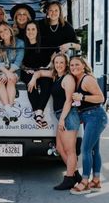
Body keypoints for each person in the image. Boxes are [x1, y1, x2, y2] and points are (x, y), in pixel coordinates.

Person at [28, 53, 82, 190]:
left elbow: (69, 100)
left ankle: (69, 178)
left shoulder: (68, 78)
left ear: (66, 64)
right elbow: (40, 72)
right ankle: (75, 175)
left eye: (61, 63)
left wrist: (63, 119)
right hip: (62, 116)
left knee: (70, 150)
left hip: (68, 116)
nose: (59, 65)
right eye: (56, 62)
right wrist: (34, 78)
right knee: (59, 148)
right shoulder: (56, 76)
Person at [69, 56, 108, 195]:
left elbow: (101, 98)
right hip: (89, 117)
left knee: (85, 149)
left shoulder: (87, 79)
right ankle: (96, 180)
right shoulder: (76, 79)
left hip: (96, 116)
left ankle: (85, 182)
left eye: (77, 64)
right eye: (72, 65)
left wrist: (82, 97)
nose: (74, 67)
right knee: (93, 150)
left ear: (84, 65)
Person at [21, 21, 52, 127]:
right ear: (25, 32)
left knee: (47, 83)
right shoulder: (22, 44)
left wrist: (46, 68)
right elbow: (18, 60)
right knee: (31, 84)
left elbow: (53, 56)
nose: (30, 32)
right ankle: (38, 114)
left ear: (37, 31)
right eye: (28, 29)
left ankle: (39, 112)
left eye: (33, 29)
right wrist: (25, 69)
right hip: (27, 71)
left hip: (43, 70)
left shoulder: (45, 43)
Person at [0, 22, 24, 121]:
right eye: (0, 31)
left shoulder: (20, 42)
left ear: (10, 30)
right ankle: (9, 109)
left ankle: (9, 109)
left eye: (5, 29)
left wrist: (8, 73)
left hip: (14, 68)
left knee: (11, 79)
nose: (3, 32)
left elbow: (18, 61)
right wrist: (6, 72)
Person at [38, 0, 81, 66]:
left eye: (56, 10)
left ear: (60, 12)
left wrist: (68, 45)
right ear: (47, 12)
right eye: (51, 10)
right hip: (41, 62)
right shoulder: (40, 25)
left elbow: (78, 46)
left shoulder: (66, 26)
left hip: (59, 64)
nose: (53, 13)